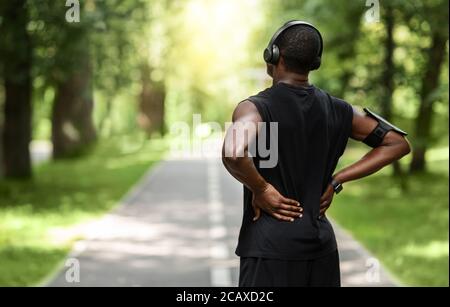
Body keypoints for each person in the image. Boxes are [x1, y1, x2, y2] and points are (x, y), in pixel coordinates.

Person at [221, 20, 411, 287]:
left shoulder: (254, 109)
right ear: (315, 62)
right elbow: (396, 143)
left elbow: (232, 151)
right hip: (321, 248)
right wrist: (337, 180)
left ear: (273, 56)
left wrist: (261, 189)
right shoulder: (339, 110)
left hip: (270, 250)